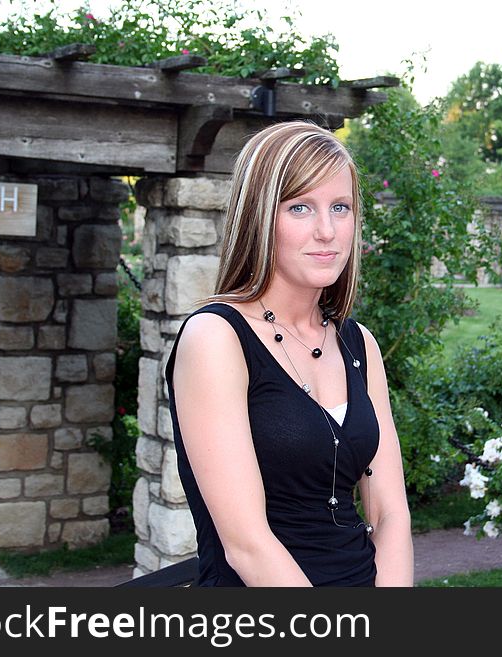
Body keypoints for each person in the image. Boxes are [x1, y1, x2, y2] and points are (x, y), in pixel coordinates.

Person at [164, 120, 414, 587]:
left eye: (340, 207)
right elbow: (247, 544)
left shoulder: (360, 346)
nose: (327, 231)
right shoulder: (217, 339)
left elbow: (389, 512)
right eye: (300, 208)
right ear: (259, 217)